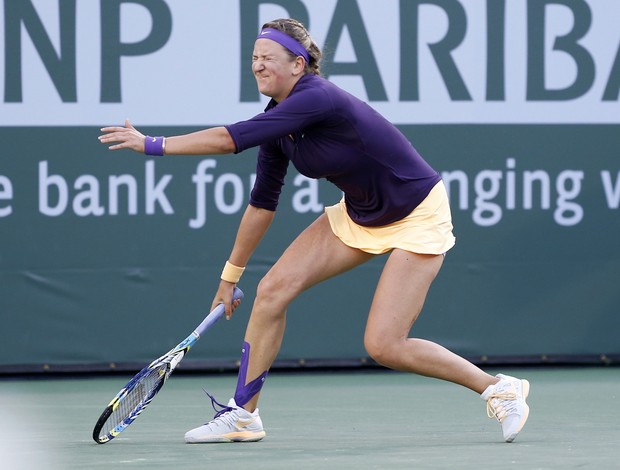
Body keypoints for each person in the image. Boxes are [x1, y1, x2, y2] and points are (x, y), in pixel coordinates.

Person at [99, 18, 530, 444]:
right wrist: (229, 278)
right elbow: (262, 204)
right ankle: (243, 416)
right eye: (254, 58)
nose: (258, 66)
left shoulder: (317, 96)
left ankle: (498, 389)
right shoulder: (278, 124)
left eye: (268, 57)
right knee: (271, 291)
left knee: (384, 344)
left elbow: (231, 138)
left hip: (417, 213)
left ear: (299, 65)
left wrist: (152, 143)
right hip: (360, 214)